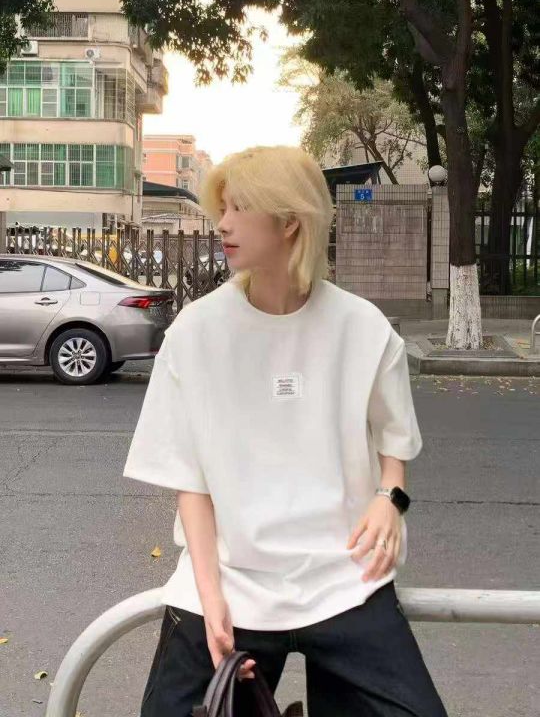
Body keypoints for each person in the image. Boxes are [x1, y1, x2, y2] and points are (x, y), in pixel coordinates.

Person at [123, 145, 449, 717]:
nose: (222, 223)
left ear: (290, 222)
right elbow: (190, 481)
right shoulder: (195, 333)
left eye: (239, 208)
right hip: (230, 580)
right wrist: (211, 598)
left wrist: (389, 499)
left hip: (345, 580)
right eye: (222, 208)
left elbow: (393, 442)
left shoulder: (362, 328)